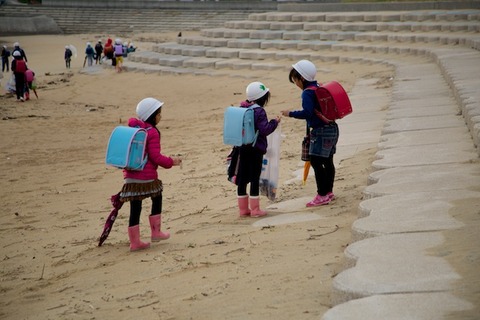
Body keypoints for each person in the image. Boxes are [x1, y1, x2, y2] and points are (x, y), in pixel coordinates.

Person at [119, 97, 182, 251]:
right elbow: (155, 157)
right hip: (146, 176)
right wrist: (171, 162)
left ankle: (134, 242)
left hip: (130, 176)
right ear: (152, 116)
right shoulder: (152, 132)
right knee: (157, 196)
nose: (161, 116)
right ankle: (156, 232)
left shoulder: (135, 130)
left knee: (135, 207)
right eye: (159, 113)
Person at [281, 60, 339, 207]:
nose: (296, 84)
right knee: (328, 161)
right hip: (332, 128)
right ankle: (329, 192)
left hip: (320, 131)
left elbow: (307, 113)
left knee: (315, 161)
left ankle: (322, 194)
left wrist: (290, 113)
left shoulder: (307, 93)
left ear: (301, 78)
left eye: (295, 80)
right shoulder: (318, 87)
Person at [235, 81, 280, 217]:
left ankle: (243, 210)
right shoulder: (259, 111)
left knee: (242, 178)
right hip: (256, 149)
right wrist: (274, 122)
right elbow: (265, 129)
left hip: (242, 147)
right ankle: (255, 210)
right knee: (255, 178)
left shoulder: (242, 107)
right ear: (262, 98)